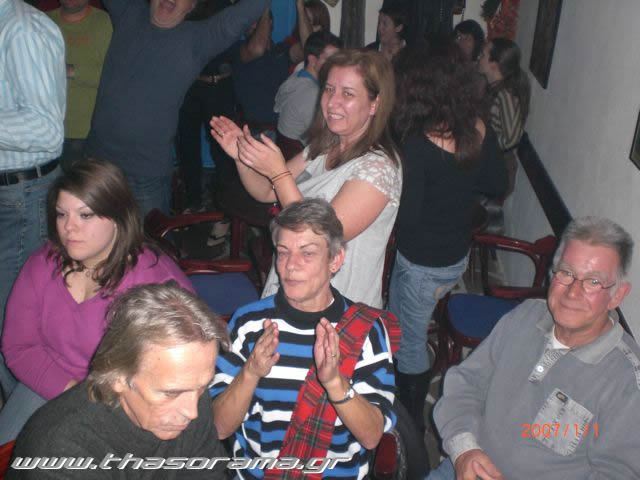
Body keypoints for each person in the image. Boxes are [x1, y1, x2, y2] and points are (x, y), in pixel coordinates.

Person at [428, 216, 640, 479]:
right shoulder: (525, 316)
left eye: (593, 281)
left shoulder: (627, 380)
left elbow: (618, 473)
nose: (573, 292)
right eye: (566, 273)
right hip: (465, 464)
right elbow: (466, 383)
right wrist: (464, 450)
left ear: (617, 295)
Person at [0, 160, 193, 443]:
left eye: (85, 215)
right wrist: (73, 394)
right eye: (61, 214)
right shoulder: (43, 263)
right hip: (50, 380)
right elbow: (19, 346)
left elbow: (177, 371)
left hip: (124, 401)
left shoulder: (156, 284)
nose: (69, 227)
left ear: (117, 217)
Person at [210, 199, 397, 480]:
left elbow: (371, 437)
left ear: (335, 260)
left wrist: (334, 382)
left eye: (307, 253)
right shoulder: (248, 323)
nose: (290, 266)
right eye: (283, 252)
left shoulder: (366, 331)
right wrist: (250, 373)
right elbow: (218, 427)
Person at [211, 49, 401, 308]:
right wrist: (240, 156)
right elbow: (266, 191)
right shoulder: (325, 146)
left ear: (375, 104)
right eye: (329, 89)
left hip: (336, 305)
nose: (332, 102)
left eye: (347, 94)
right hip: (294, 285)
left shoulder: (379, 167)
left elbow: (318, 235)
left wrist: (278, 173)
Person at [388, 41, 507, 428]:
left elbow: (408, 220)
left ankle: (409, 424)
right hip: (455, 254)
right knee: (400, 323)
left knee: (409, 343)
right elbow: (496, 184)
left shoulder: (418, 144)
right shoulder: (477, 127)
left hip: (420, 260)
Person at [8, 282, 230, 480]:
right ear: (117, 377)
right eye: (171, 393)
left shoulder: (190, 390)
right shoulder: (59, 454)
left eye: (203, 387)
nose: (192, 412)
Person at [84, 0, 268, 217]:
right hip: (97, 160)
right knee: (90, 233)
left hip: (145, 173)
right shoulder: (129, 12)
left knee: (150, 238)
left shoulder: (198, 39)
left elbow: (248, 10)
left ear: (192, 6)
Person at [0, 0, 66, 404]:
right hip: (13, 194)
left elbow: (46, 130)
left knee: (15, 323)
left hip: (23, 196)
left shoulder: (22, 29)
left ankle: (30, 421)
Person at [48, 0, 112, 171]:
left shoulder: (106, 23)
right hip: (47, 131)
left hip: (88, 134)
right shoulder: (43, 21)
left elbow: (116, 75)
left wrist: (71, 71)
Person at [479, 37, 531, 197]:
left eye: (483, 55)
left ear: (494, 64)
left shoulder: (505, 94)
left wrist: (484, 146)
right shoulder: (494, 89)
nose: (479, 58)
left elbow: (512, 138)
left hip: (497, 168)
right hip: (490, 164)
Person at [274, 30, 342, 151]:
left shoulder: (297, 76)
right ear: (313, 60)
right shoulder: (311, 94)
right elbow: (325, 141)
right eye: (331, 60)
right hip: (300, 158)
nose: (336, 66)